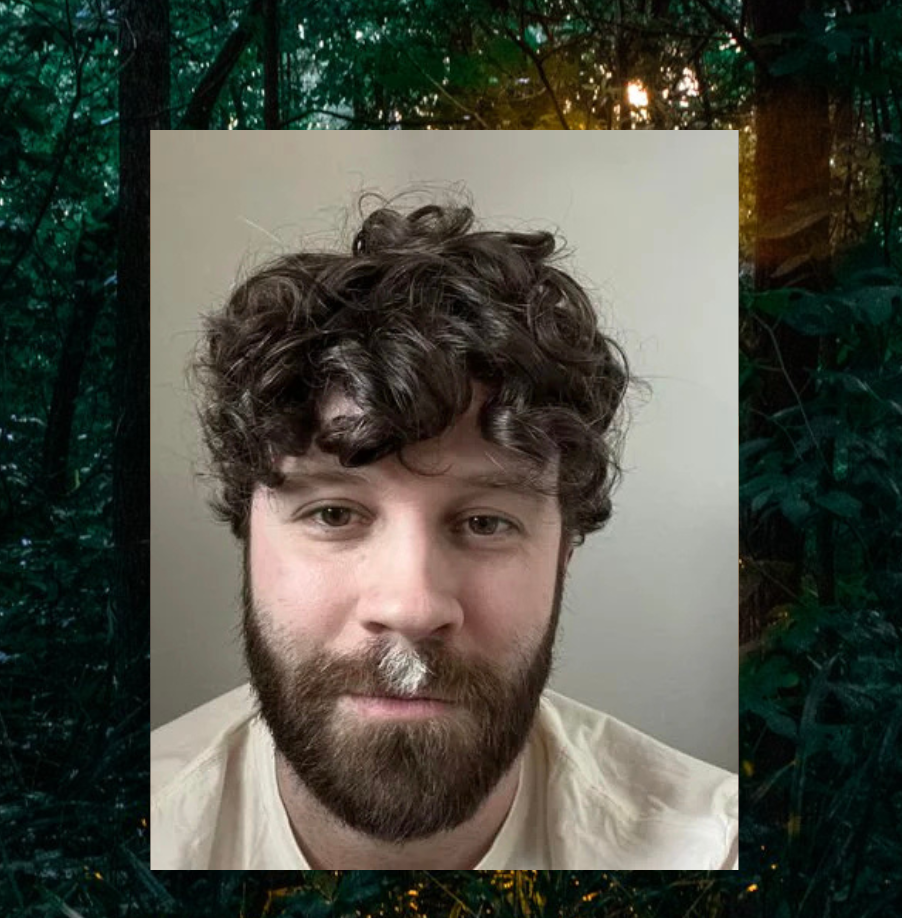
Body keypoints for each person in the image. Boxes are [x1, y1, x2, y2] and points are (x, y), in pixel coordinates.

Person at [151, 199, 738, 870]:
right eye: (334, 514)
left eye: (486, 522)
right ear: (247, 533)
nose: (411, 607)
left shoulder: (712, 849)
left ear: (565, 552)